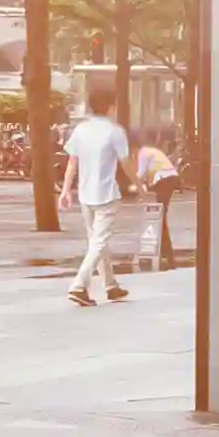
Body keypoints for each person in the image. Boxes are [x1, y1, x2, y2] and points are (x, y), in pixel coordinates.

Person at [63, 73, 142, 305]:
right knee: (98, 242)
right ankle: (79, 285)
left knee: (97, 242)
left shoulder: (81, 130)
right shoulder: (115, 131)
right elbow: (126, 163)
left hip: (85, 195)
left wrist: (66, 190)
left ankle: (110, 285)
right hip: (106, 194)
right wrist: (139, 185)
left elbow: (72, 163)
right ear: (111, 105)